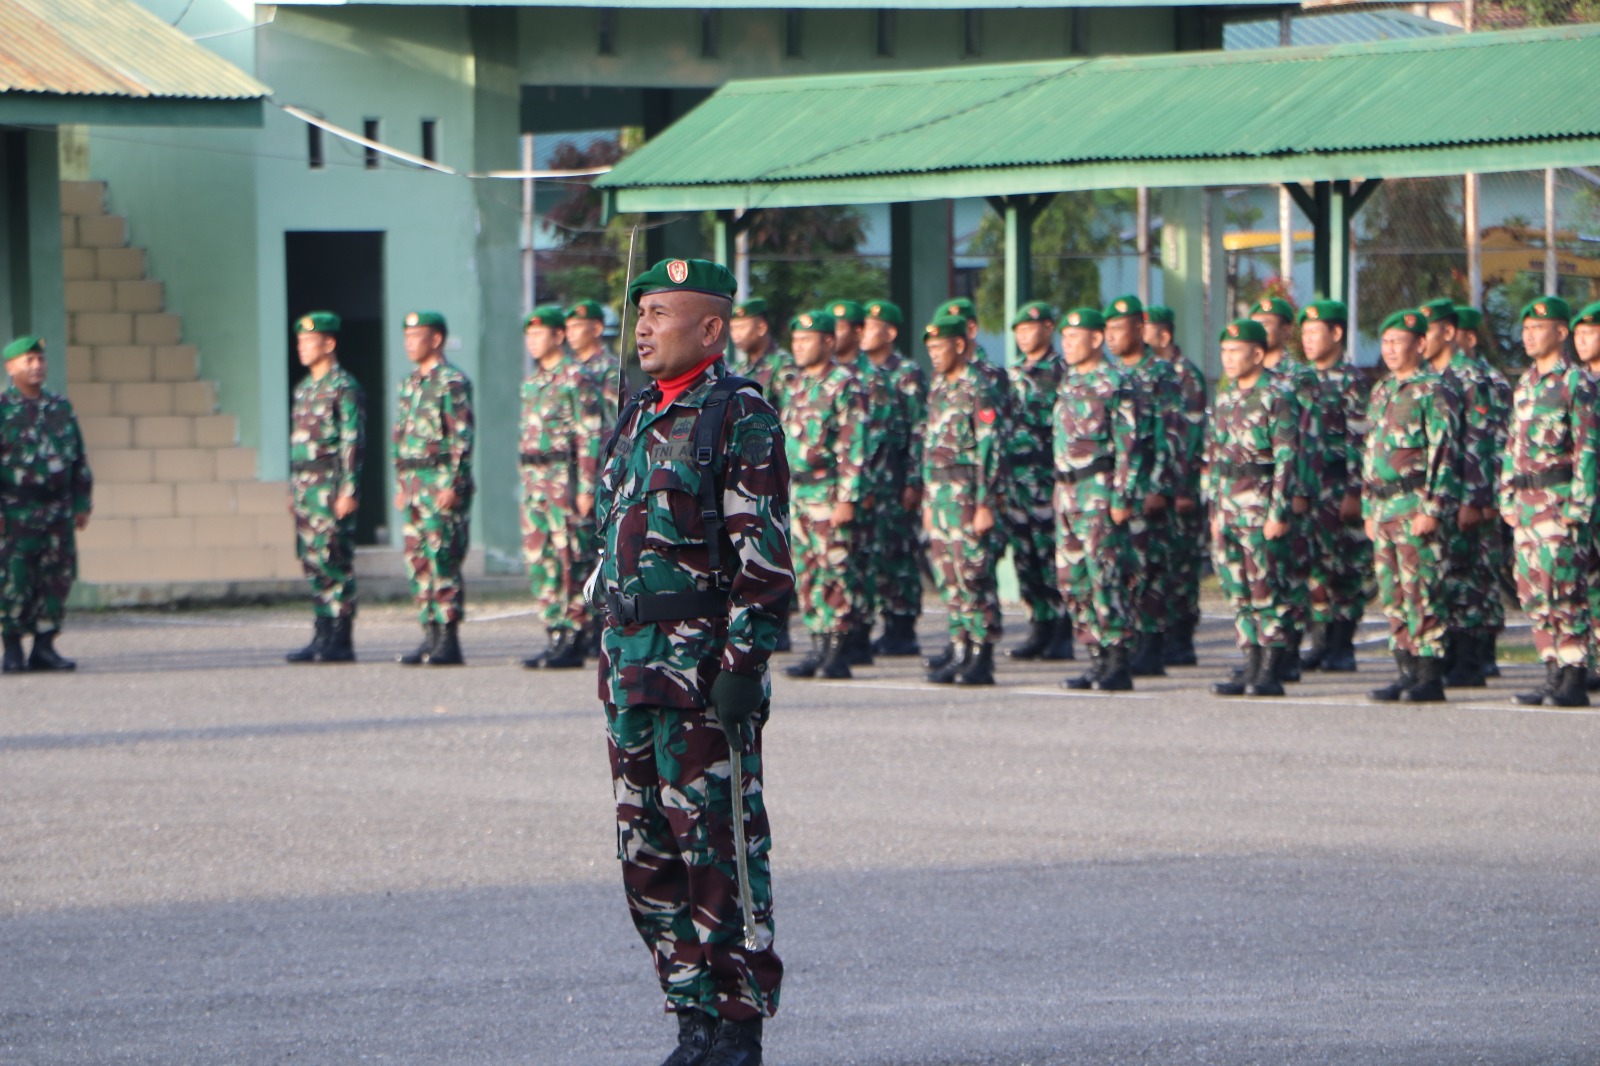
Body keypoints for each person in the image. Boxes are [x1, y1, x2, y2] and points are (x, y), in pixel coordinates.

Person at [596, 258, 791, 1066]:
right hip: (630, 665)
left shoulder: (738, 415)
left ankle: (738, 1021)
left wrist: (745, 664)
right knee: (646, 851)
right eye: (638, 310)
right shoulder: (638, 412)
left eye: (662, 312)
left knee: (717, 849)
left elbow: (764, 555)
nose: (642, 326)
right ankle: (691, 1017)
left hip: (703, 673)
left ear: (710, 329)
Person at [1499, 296, 1598, 708]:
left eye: (1538, 328)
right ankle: (1552, 670)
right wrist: (1506, 493)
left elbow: (1588, 448)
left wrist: (1579, 506)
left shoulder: (1577, 383)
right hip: (1526, 503)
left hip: (1559, 503)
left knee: (1564, 590)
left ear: (1560, 334)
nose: (1529, 335)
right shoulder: (1525, 384)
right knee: (1532, 591)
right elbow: (1512, 445)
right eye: (1525, 328)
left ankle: (1575, 673)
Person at [1363, 310, 1460, 704]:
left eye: (1397, 341)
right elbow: (1371, 452)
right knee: (1392, 593)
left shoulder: (1433, 390)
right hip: (1384, 507)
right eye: (1384, 342)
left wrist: (1432, 508)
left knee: (1423, 590)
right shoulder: (1383, 389)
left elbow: (1444, 452)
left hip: (1414, 503)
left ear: (1420, 345)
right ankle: (1404, 670)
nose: (1389, 349)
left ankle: (1428, 673)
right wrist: (1370, 506)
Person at [1205, 320, 1299, 697]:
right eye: (1224, 351)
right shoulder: (1226, 399)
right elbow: (1214, 459)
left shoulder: (1276, 396)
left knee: (1266, 588)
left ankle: (1271, 668)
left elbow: (1287, 459)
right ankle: (1250, 662)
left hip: (1260, 505)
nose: (1228, 359)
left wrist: (1278, 512)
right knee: (1238, 589)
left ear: (1257, 354)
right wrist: (1214, 510)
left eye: (1236, 351)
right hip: (1229, 507)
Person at [1053, 308, 1139, 692]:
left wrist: (1122, 495)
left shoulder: (1114, 382)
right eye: (1064, 338)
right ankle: (1094, 655)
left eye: (1074, 338)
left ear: (1096, 340)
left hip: (1099, 488)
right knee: (1072, 578)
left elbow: (1129, 445)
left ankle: (1117, 656)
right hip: (1067, 492)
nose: (1066, 344)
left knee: (1104, 574)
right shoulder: (1068, 382)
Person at [921, 312, 1009, 685]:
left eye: (940, 347)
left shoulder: (979, 387)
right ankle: (960, 648)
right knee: (949, 577)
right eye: (930, 349)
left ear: (960, 345)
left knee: (973, 575)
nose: (934, 355)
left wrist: (986, 503)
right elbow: (929, 448)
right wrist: (928, 500)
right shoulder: (939, 386)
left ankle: (981, 654)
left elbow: (991, 449)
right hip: (940, 494)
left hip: (968, 495)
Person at [778, 310, 866, 681]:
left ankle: (838, 649)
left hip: (828, 490)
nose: (798, 345)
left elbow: (853, 445)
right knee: (807, 570)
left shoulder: (845, 384)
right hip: (799, 492)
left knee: (835, 568)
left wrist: (847, 497)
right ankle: (817, 644)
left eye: (807, 339)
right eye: (795, 339)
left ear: (828, 342)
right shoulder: (795, 384)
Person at [1103, 294, 1188, 676]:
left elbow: (1171, 435)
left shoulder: (1162, 374)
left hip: (1148, 487)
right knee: (1122, 568)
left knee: (1151, 567)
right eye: (1107, 330)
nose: (1111, 337)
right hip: (1117, 489)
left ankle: (1153, 645)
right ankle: (1131, 639)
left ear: (1140, 330)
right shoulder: (1110, 375)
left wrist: (1161, 486)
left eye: (1119, 329)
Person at [1417, 298, 1498, 687]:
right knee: (1441, 575)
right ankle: (1447, 653)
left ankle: (1470, 660)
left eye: (1426, 333)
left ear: (1448, 333)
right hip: (1436, 495)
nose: (1420, 341)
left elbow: (1480, 441)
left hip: (1464, 493)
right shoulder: (1426, 378)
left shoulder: (1470, 377)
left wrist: (1475, 499)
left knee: (1467, 575)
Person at [0, 335, 92, 673]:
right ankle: (11, 650)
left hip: (58, 511)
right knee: (14, 580)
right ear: (11, 368)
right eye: (28, 361)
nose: (37, 366)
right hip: (15, 511)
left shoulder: (60, 407)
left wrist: (82, 502)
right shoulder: (2, 409)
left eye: (40, 360)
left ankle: (44, 647)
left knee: (56, 579)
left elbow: (78, 457)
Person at [518, 305, 602, 670]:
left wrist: (586, 487)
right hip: (535, 482)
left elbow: (590, 435)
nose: (533, 342)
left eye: (541, 334)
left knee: (571, 559)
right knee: (542, 561)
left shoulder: (576, 377)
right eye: (529, 335)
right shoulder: (532, 382)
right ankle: (554, 631)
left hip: (564, 479)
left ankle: (574, 633)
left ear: (558, 336)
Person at [392, 311, 474, 666]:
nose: (410, 342)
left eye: (417, 335)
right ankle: (428, 634)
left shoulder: (452, 382)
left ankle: (448, 638)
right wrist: (400, 483)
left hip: (439, 482)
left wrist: (455, 484)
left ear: (436, 339)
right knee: (418, 560)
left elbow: (461, 437)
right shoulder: (409, 383)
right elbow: (400, 437)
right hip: (413, 485)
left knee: (443, 559)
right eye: (407, 336)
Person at [285, 312, 365, 664]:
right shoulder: (304, 389)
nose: (301, 348)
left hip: (331, 485)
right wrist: (294, 489)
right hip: (306, 486)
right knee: (313, 561)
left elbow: (353, 441)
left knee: (334, 559)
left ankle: (340, 638)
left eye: (308, 341)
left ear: (328, 343)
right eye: (299, 341)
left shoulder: (343, 386)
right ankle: (321, 633)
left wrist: (349, 490)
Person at [1295, 300, 1371, 673]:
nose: (1308, 340)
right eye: (1304, 334)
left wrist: (1355, 491)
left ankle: (1342, 645)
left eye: (1315, 332)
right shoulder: (1300, 379)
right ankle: (1320, 640)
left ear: (1336, 334)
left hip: (1339, 486)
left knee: (1344, 568)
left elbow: (1360, 439)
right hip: (1308, 487)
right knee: (1313, 569)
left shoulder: (1352, 381)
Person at [1250, 295, 1321, 681]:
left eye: (1269, 320)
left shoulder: (1299, 376)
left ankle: (1288, 652)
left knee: (1290, 571)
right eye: (1256, 319)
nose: (1262, 326)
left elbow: (1307, 438)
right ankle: (1264, 652)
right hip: (1253, 491)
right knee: (1263, 576)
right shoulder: (1250, 373)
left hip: (1291, 487)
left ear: (1286, 329)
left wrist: (1300, 491)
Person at [1003, 301, 1075, 662]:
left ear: (1049, 328)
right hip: (1017, 482)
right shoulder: (1012, 372)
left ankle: (1064, 628)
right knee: (1025, 558)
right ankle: (1038, 625)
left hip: (1048, 480)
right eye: (1018, 330)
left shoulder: (1063, 372)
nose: (1024, 335)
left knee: (1052, 557)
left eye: (1030, 328)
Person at [860, 299, 927, 656]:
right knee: (874, 553)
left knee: (900, 553)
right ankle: (881, 620)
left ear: (890, 333)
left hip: (897, 476)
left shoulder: (906, 373)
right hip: (871, 478)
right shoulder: (857, 373)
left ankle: (903, 626)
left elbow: (919, 429)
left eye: (872, 327)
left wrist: (914, 481)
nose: (864, 334)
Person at [829, 298, 894, 665]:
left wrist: (864, 489)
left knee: (863, 561)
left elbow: (880, 438)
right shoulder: (832, 377)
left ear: (856, 332)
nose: (834, 336)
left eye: (841, 329)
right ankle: (842, 631)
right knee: (838, 563)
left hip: (868, 486)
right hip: (834, 486)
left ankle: (859, 635)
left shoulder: (872, 377)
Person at [1143, 303, 1207, 665]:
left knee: (1181, 565)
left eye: (1147, 329)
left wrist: (1183, 488)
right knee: (1156, 564)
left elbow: (1190, 435)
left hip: (1180, 488)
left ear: (1164, 335)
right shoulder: (1148, 374)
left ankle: (1181, 639)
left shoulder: (1187, 377)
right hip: (1153, 486)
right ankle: (1158, 634)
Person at [1456, 304, 1514, 677]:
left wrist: (1488, 497)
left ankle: (1482, 651)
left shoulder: (1485, 380)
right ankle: (1469, 651)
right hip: (1459, 488)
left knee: (1482, 570)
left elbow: (1493, 441)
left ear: (1469, 338)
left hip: (1481, 489)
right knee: (1466, 571)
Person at [1572, 300, 1600, 689]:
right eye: (1577, 334)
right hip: (1585, 500)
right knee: (1586, 583)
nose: (1582, 340)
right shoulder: (1575, 384)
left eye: (1589, 333)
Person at [727, 298, 795, 407]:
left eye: (741, 328)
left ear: (761, 327)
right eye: (732, 329)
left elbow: (790, 411)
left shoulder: (783, 364)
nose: (736, 335)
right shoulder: (739, 369)